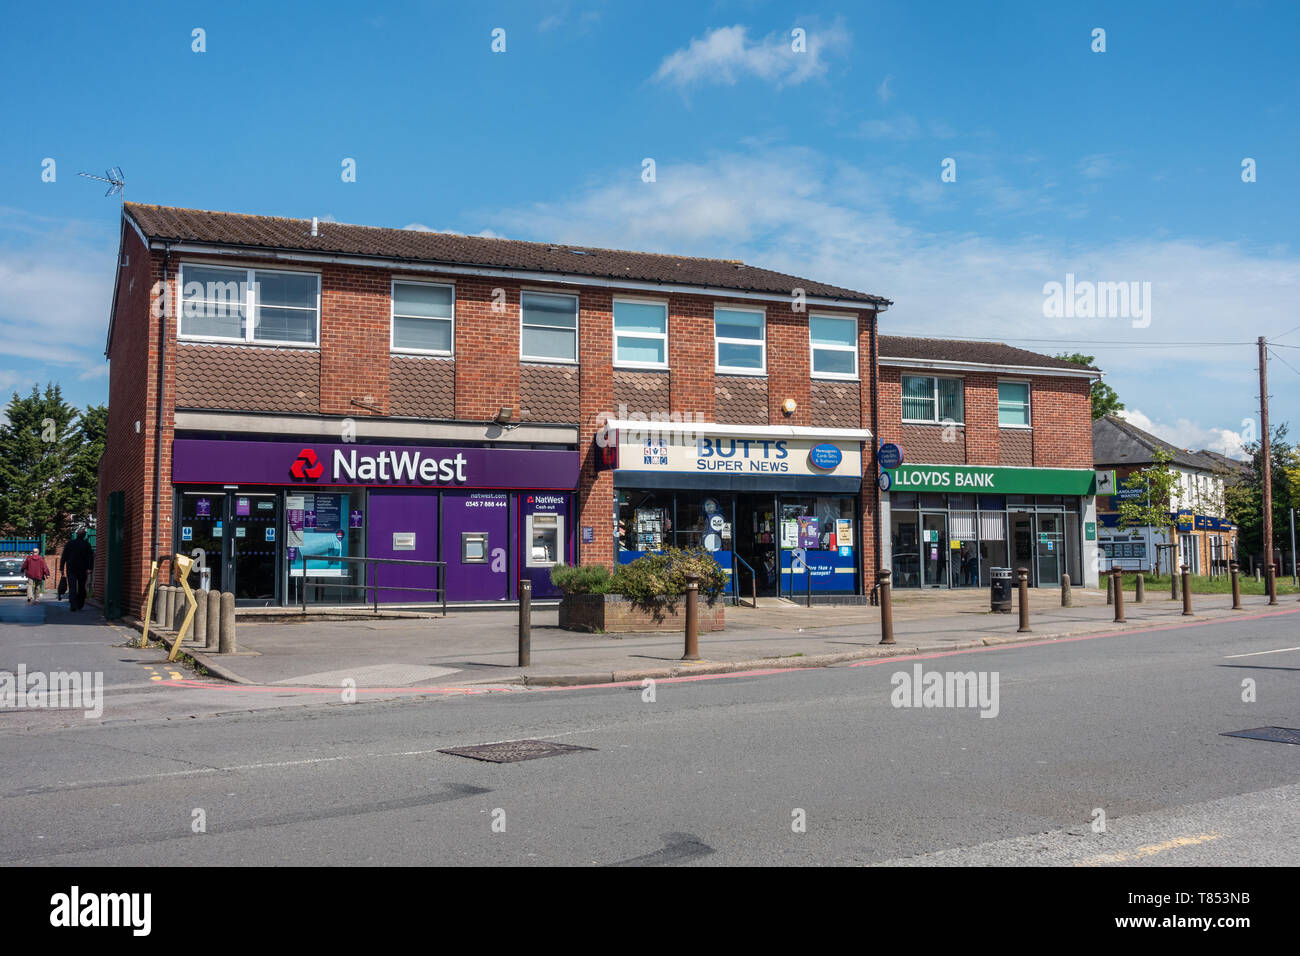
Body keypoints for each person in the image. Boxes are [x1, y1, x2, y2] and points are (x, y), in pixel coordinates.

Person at [60, 530, 95, 612]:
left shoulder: (69, 544)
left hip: (71, 568)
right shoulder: (87, 544)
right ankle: (80, 604)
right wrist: (90, 568)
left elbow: (64, 556)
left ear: (76, 535)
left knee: (72, 587)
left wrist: (61, 568)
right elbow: (90, 557)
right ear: (84, 536)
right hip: (83, 569)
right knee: (82, 587)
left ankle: (73, 605)